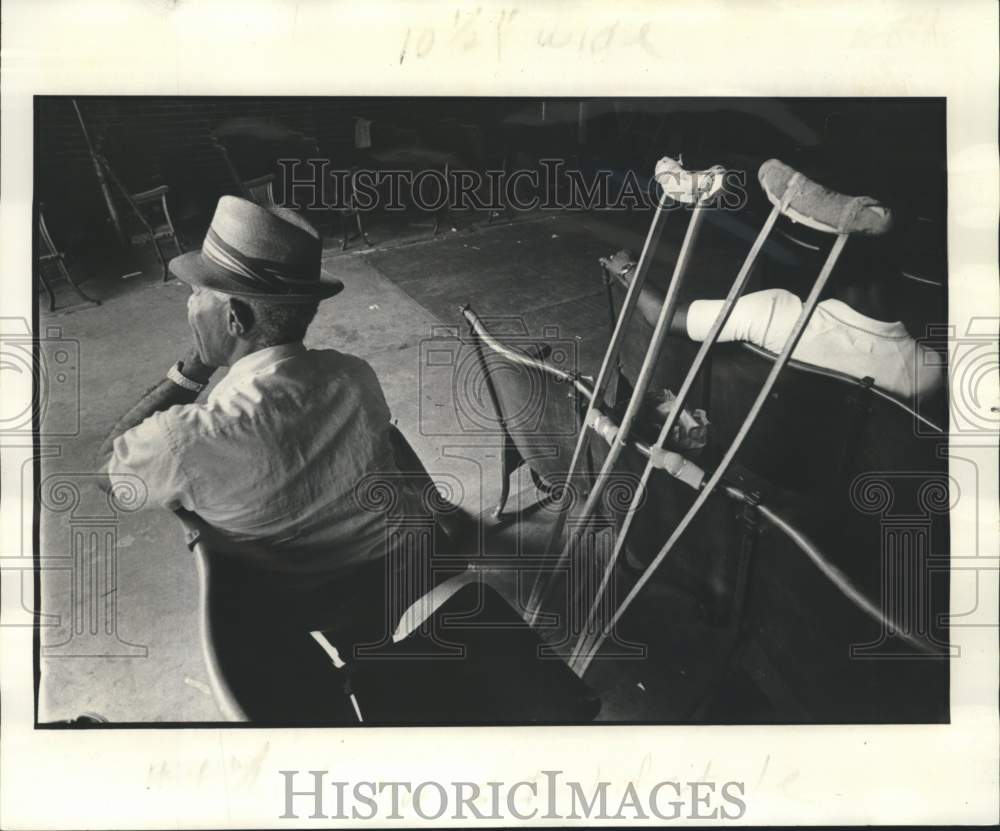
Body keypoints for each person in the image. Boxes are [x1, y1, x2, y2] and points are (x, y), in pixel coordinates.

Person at [97, 197, 441, 647]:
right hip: (408, 569)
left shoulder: (186, 437)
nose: (190, 305)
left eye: (197, 293)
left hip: (315, 600)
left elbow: (105, 469)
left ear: (235, 318)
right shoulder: (353, 373)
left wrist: (195, 365)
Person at [601, 239, 944, 403]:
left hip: (755, 464)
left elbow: (662, 317)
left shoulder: (779, 312)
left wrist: (627, 270)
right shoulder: (929, 369)